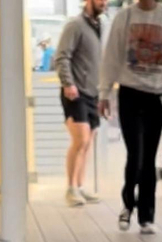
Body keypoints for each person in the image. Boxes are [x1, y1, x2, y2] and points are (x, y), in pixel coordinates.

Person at [99, 0, 162, 234]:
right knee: (135, 154)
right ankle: (128, 204)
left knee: (148, 157)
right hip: (130, 93)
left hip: (157, 96)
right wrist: (104, 93)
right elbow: (112, 57)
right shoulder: (125, 18)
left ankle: (147, 215)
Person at [54, 0, 108, 207]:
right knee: (81, 140)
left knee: (88, 142)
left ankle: (80, 187)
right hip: (75, 92)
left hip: (94, 92)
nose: (105, 3)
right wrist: (68, 83)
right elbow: (62, 57)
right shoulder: (75, 25)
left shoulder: (100, 26)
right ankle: (71, 189)